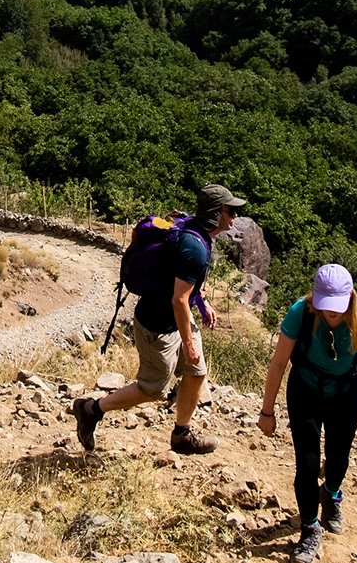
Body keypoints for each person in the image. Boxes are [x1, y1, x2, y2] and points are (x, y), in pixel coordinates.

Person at [71, 183, 248, 456]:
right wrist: (188, 343)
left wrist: (202, 303)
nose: (235, 216)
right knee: (152, 390)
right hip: (158, 327)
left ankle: (182, 436)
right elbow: (178, 299)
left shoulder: (198, 233)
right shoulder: (195, 248)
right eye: (230, 211)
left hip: (178, 320)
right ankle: (90, 409)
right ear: (215, 213)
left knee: (196, 374)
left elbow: (184, 283)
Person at [258, 263, 357, 563]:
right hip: (306, 390)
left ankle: (330, 495)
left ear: (351, 299)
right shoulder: (300, 313)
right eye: (327, 307)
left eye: (339, 308)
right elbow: (278, 364)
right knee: (308, 462)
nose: (334, 314)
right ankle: (310, 528)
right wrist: (267, 411)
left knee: (339, 459)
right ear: (315, 299)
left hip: (345, 394)